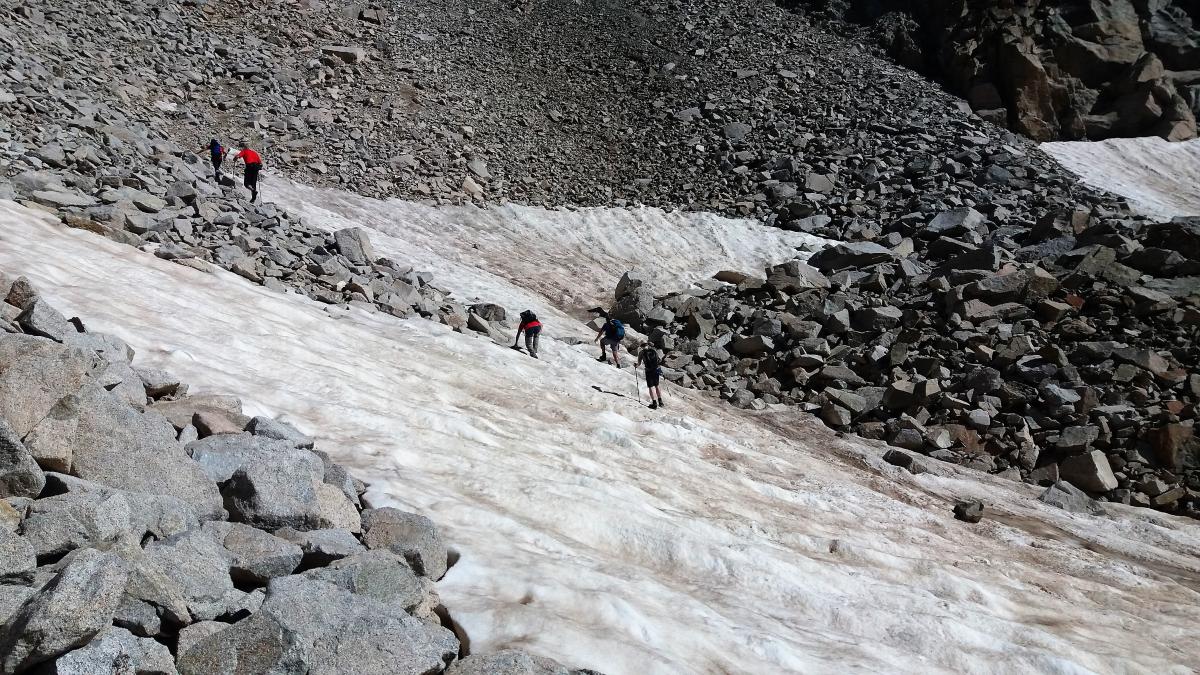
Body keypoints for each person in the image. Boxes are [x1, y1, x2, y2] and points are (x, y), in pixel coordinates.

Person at [637, 343, 665, 409]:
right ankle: (660, 402)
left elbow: (639, 363)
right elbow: (659, 360)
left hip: (649, 371)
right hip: (656, 370)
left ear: (641, 346)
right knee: (657, 385)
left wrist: (636, 365)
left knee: (651, 387)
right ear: (647, 345)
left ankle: (654, 403)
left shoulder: (641, 352)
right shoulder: (653, 350)